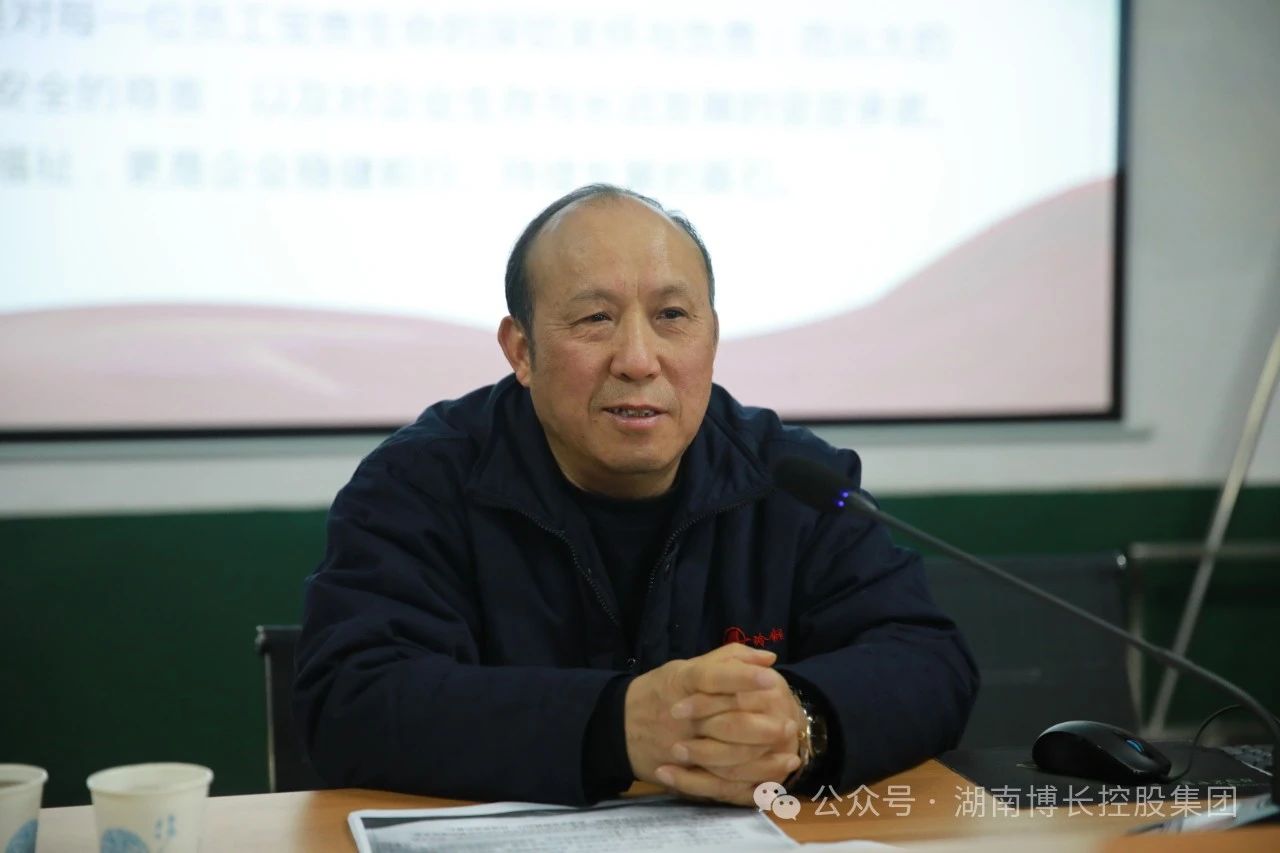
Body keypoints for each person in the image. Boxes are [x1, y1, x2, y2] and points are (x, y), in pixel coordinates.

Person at [294, 184, 978, 807]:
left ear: (713, 336)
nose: (639, 359)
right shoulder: (419, 483)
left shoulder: (794, 479)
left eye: (672, 315)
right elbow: (351, 701)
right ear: (522, 351)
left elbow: (929, 661)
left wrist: (803, 720)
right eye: (595, 318)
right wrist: (616, 725)